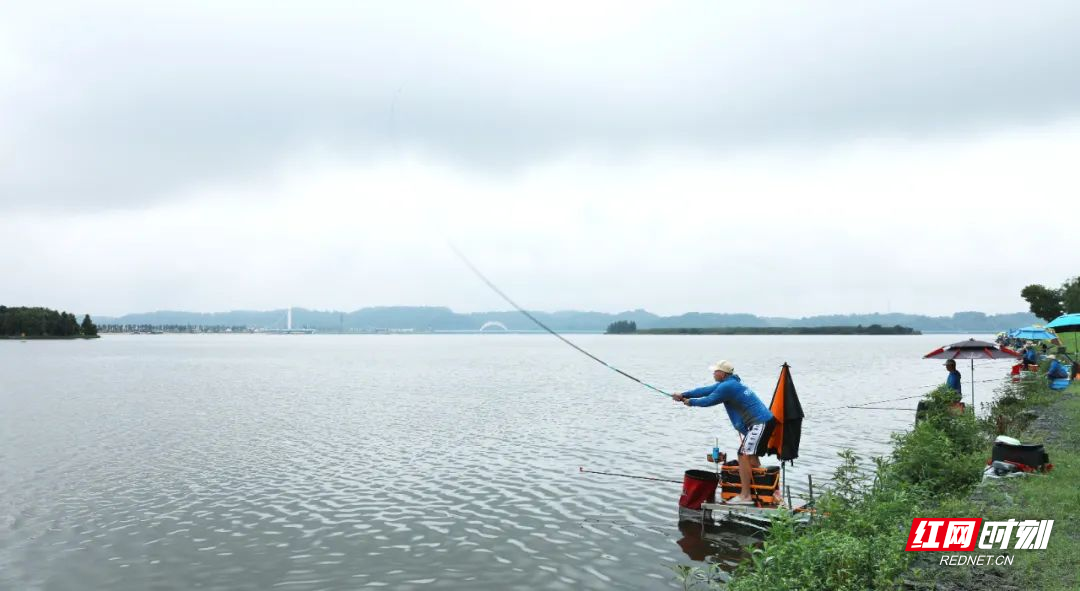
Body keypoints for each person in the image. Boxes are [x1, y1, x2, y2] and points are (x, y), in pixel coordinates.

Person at [673, 360, 774, 505]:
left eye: (715, 371)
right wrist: (683, 394)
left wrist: (690, 402)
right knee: (751, 458)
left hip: (760, 423)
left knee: (743, 455)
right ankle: (761, 489)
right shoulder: (729, 383)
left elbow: (709, 400)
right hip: (762, 422)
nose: (713, 373)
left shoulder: (728, 386)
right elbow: (705, 390)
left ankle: (746, 497)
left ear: (722, 374)